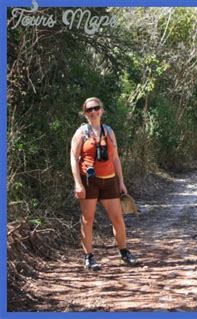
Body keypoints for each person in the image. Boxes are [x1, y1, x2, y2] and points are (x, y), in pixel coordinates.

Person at [70, 97, 138, 271]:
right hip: (89, 181)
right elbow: (73, 157)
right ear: (85, 113)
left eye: (96, 108)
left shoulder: (108, 131)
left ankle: (124, 253)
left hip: (109, 181)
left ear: (101, 110)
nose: (93, 112)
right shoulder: (81, 133)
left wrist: (121, 182)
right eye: (89, 109)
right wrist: (78, 183)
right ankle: (89, 257)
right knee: (88, 219)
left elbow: (115, 158)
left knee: (117, 218)